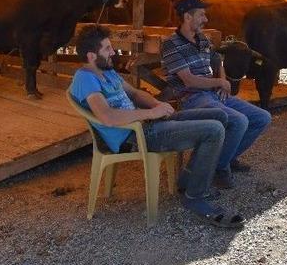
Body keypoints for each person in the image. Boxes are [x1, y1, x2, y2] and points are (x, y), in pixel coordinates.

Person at [69, 24, 244, 229]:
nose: (113, 52)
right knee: (214, 130)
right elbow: (107, 117)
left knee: (220, 115)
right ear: (91, 56)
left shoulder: (106, 72)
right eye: (107, 49)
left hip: (148, 124)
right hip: (135, 136)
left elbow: (134, 93)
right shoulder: (85, 78)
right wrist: (151, 113)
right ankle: (194, 197)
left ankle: (189, 180)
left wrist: (156, 104)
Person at [161, 0, 272, 189]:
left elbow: (216, 59)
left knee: (262, 117)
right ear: (188, 17)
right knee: (239, 121)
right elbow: (188, 80)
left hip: (212, 94)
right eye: (201, 15)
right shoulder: (171, 44)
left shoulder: (202, 39)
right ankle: (219, 168)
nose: (205, 19)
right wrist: (219, 81)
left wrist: (221, 82)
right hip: (191, 98)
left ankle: (225, 158)